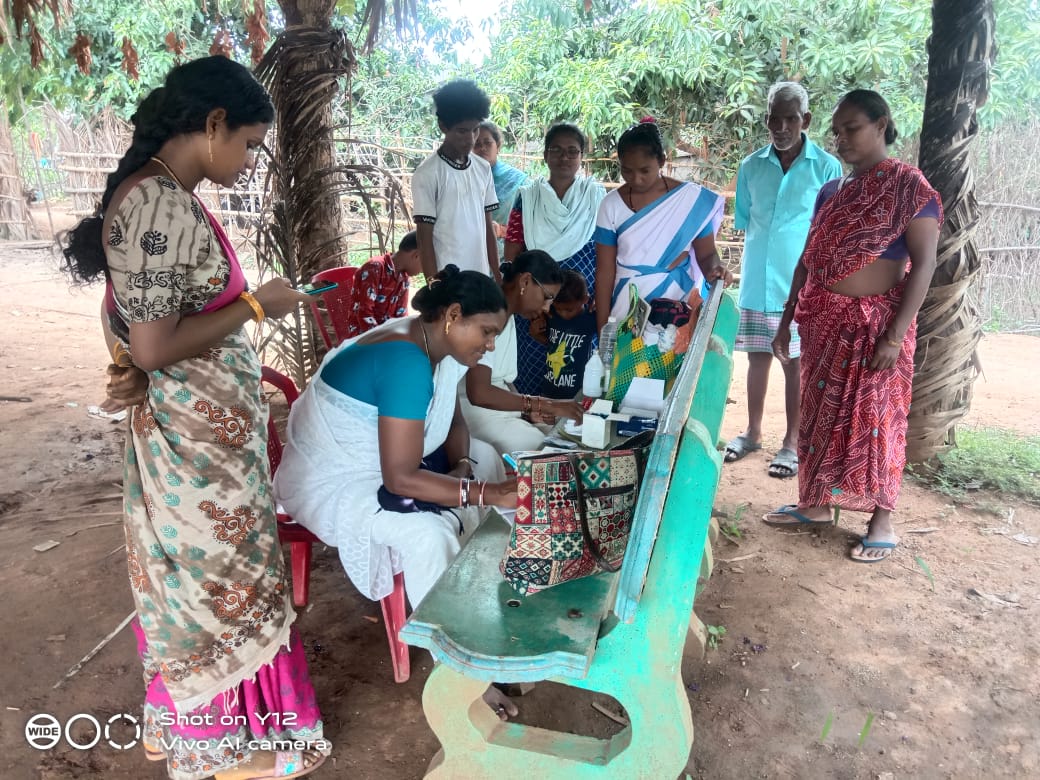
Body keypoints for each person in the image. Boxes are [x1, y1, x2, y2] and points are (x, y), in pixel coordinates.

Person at [59, 57, 329, 780]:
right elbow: (152, 345)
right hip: (193, 453)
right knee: (214, 589)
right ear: (211, 126)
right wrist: (253, 307)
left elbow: (146, 319)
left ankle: (208, 727)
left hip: (207, 445)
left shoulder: (167, 196)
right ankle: (222, 744)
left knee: (215, 584)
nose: (247, 161)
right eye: (245, 143)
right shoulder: (155, 204)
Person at [764, 89, 942, 565]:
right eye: (837, 131)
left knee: (878, 420)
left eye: (852, 129)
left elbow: (923, 266)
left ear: (881, 125)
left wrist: (895, 333)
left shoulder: (909, 186)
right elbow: (807, 259)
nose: (841, 139)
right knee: (820, 413)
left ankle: (881, 520)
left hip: (876, 326)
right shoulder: (834, 191)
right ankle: (816, 504)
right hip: (824, 321)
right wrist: (784, 322)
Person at [274, 266, 517, 608]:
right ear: (453, 315)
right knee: (429, 535)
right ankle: (447, 633)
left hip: (389, 462)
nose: (490, 346)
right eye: (487, 332)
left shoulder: (437, 348)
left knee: (485, 455)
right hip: (337, 480)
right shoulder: (406, 360)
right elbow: (401, 479)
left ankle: (481, 574)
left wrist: (462, 468)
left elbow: (453, 422)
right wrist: (484, 493)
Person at [724, 82, 843, 479]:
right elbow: (747, 222)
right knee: (757, 358)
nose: (781, 126)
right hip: (757, 279)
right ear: (766, 120)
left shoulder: (826, 167)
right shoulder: (751, 166)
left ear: (805, 120)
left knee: (796, 363)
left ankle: (792, 442)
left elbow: (832, 230)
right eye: (774, 118)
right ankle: (753, 432)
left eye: (790, 118)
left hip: (802, 285)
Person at [594, 120, 730, 331]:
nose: (636, 179)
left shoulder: (690, 201)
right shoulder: (610, 205)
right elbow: (604, 272)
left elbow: (707, 255)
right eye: (627, 171)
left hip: (676, 304)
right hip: (627, 304)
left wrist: (715, 269)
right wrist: (603, 331)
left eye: (644, 170)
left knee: (670, 359)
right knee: (626, 362)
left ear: (662, 161)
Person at [504, 123, 606, 395]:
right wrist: (531, 303)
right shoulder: (527, 199)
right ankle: (530, 416)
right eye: (557, 150)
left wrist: (594, 298)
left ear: (582, 157)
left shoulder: (596, 198)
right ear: (545, 156)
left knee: (577, 366)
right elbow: (513, 251)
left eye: (573, 151)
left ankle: (568, 425)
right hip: (535, 301)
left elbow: (607, 251)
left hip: (579, 303)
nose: (564, 157)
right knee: (533, 361)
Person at [462, 251, 584, 454]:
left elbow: (504, 381)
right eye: (547, 298)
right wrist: (545, 405)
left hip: (497, 410)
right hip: (475, 411)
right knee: (541, 450)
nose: (546, 308)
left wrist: (529, 410)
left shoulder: (507, 317)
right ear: (525, 281)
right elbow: (479, 393)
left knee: (562, 438)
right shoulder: (487, 313)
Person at [412, 80, 500, 281]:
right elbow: (424, 239)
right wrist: (434, 287)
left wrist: (497, 275)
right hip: (448, 281)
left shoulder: (483, 168)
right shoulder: (427, 174)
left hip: (480, 278)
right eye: (462, 130)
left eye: (475, 129)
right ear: (443, 126)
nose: (471, 138)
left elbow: (488, 229)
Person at [530, 270, 597, 400]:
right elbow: (548, 343)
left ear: (585, 299)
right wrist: (535, 332)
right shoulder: (550, 314)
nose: (563, 314)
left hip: (578, 392)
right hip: (549, 389)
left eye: (569, 310)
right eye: (558, 308)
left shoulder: (590, 319)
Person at [342, 230, 422, 338]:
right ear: (416, 255)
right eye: (424, 263)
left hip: (384, 336)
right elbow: (364, 313)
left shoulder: (404, 279)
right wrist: (384, 340)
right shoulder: (374, 269)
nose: (423, 271)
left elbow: (401, 316)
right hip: (362, 337)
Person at [474, 120, 528, 256]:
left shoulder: (519, 181)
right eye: (476, 144)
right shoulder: (463, 180)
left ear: (497, 146)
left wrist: (501, 230)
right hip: (470, 254)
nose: (482, 148)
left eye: (488, 143)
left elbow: (534, 224)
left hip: (506, 256)